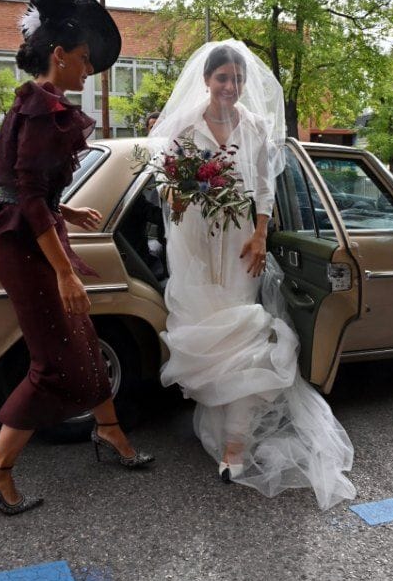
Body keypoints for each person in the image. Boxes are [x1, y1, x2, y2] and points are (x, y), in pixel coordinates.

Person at [0, 0, 153, 516]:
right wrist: (66, 274)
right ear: (58, 54)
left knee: (86, 340)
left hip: (35, 240)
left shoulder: (34, 101)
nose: (89, 68)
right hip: (29, 254)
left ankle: (111, 433)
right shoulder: (45, 110)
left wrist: (66, 209)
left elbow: (27, 189)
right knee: (52, 366)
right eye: (83, 58)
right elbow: (26, 195)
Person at [148, 40, 355, 510]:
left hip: (242, 240)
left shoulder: (257, 127)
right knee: (206, 338)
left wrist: (261, 236)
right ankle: (221, 426)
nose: (230, 86)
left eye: (237, 79)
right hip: (195, 242)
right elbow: (163, 182)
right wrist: (177, 193)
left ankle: (234, 445)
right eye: (222, 77)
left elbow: (264, 186)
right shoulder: (183, 124)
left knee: (242, 336)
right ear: (207, 80)